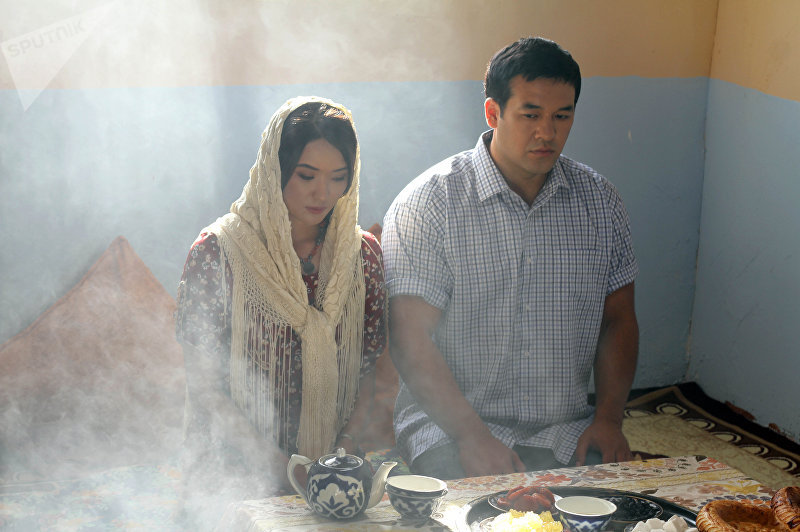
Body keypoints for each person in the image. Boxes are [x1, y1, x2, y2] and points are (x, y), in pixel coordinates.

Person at [381, 37, 639, 480]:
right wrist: (472, 437)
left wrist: (608, 420)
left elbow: (619, 320)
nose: (547, 133)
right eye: (530, 114)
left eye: (562, 116)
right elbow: (409, 336)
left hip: (565, 431)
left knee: (616, 509)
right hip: (449, 428)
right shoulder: (430, 204)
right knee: (467, 511)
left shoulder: (600, 202)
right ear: (493, 113)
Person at [174, 96, 387, 526]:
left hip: (334, 474)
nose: (322, 193)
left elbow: (375, 369)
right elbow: (205, 388)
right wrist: (281, 469)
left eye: (338, 178)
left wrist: (342, 453)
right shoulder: (218, 254)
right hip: (233, 472)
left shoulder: (361, 258)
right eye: (306, 175)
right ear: (276, 169)